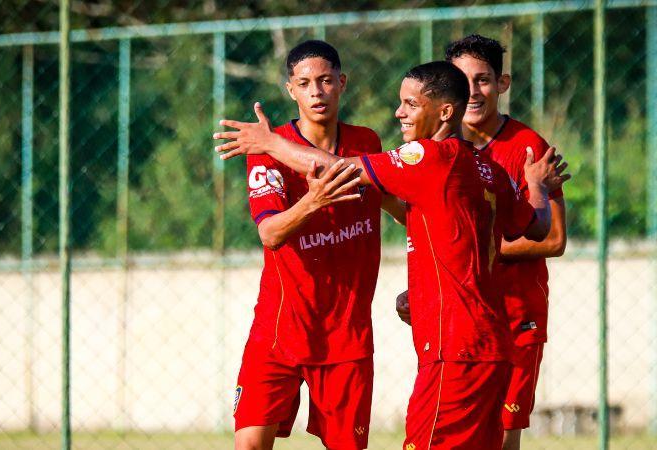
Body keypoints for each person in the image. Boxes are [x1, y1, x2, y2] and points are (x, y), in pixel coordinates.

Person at [215, 61, 570, 449]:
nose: (399, 112)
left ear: (445, 112)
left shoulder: (429, 158)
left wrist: (269, 143)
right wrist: (535, 185)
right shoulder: (487, 167)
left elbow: (336, 169)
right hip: (491, 346)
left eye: (410, 104)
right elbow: (535, 225)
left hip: (453, 348)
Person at [232, 40, 403, 450]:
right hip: (280, 329)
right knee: (250, 444)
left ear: (341, 83)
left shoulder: (366, 143)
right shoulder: (266, 152)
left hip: (346, 335)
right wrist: (313, 202)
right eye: (305, 83)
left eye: (325, 80)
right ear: (290, 90)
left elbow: (403, 208)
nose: (316, 91)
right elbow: (270, 234)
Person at [446, 34, 569, 450]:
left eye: (483, 80)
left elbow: (553, 238)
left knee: (502, 438)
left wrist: (481, 251)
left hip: (517, 315)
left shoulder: (529, 147)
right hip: (458, 319)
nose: (473, 91)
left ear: (503, 83)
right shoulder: (439, 149)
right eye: (463, 81)